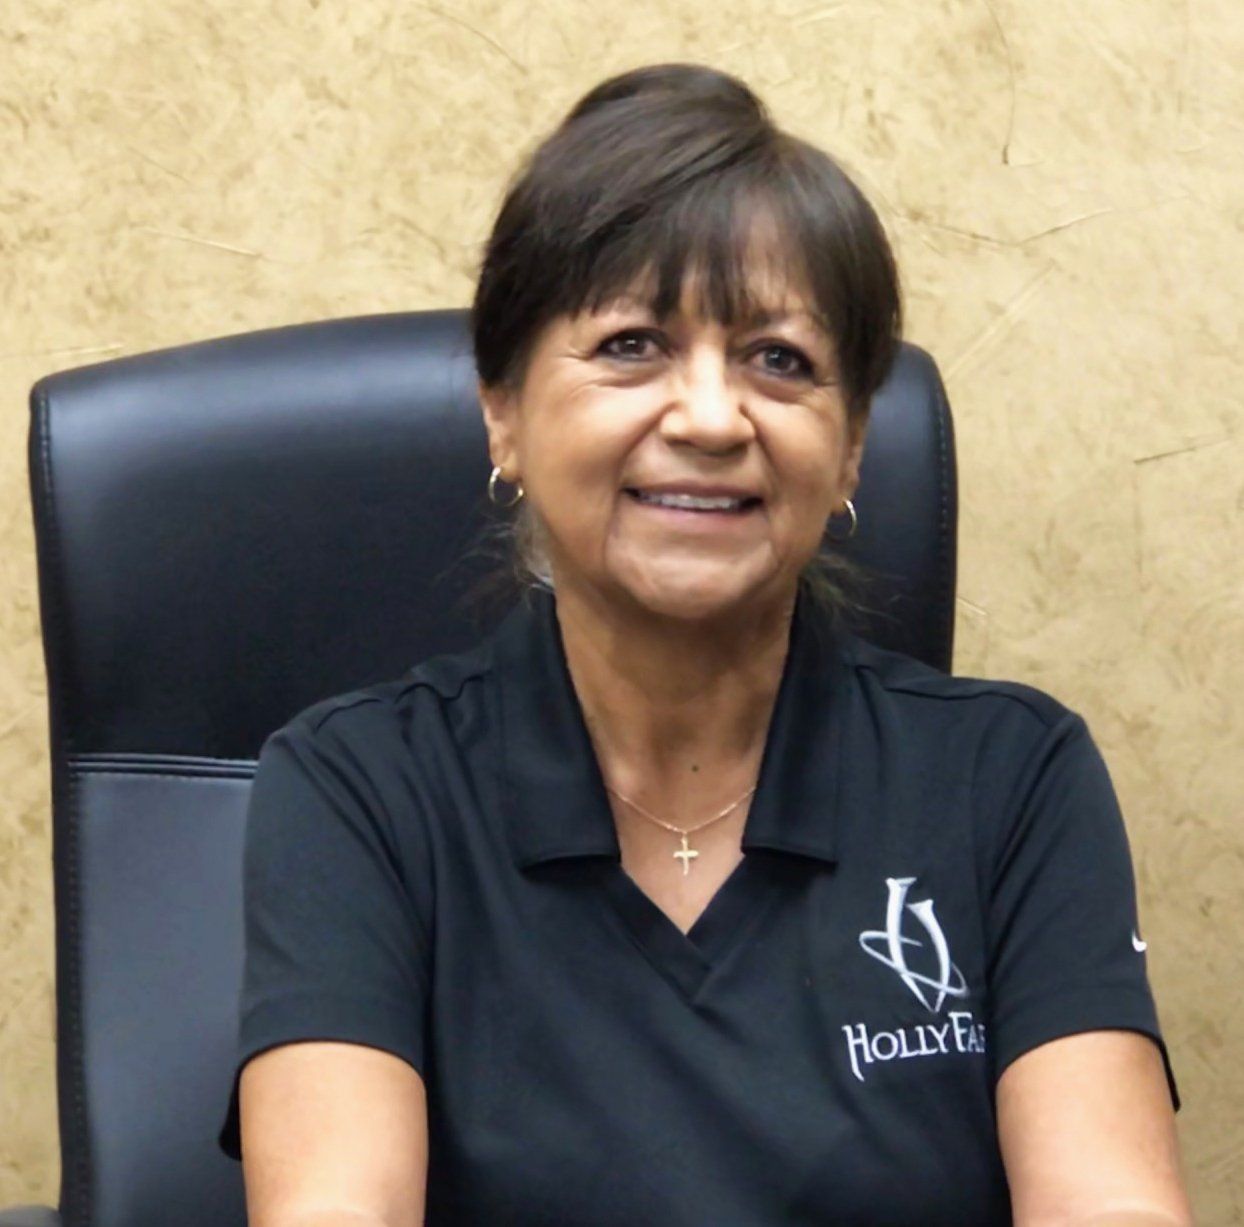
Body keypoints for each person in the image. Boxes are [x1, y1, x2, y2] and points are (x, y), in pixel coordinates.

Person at [217, 62, 1192, 1226]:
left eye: (778, 361)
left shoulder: (1012, 781)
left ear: (848, 451)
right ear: (504, 410)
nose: (712, 417)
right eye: (632, 344)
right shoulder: (359, 789)